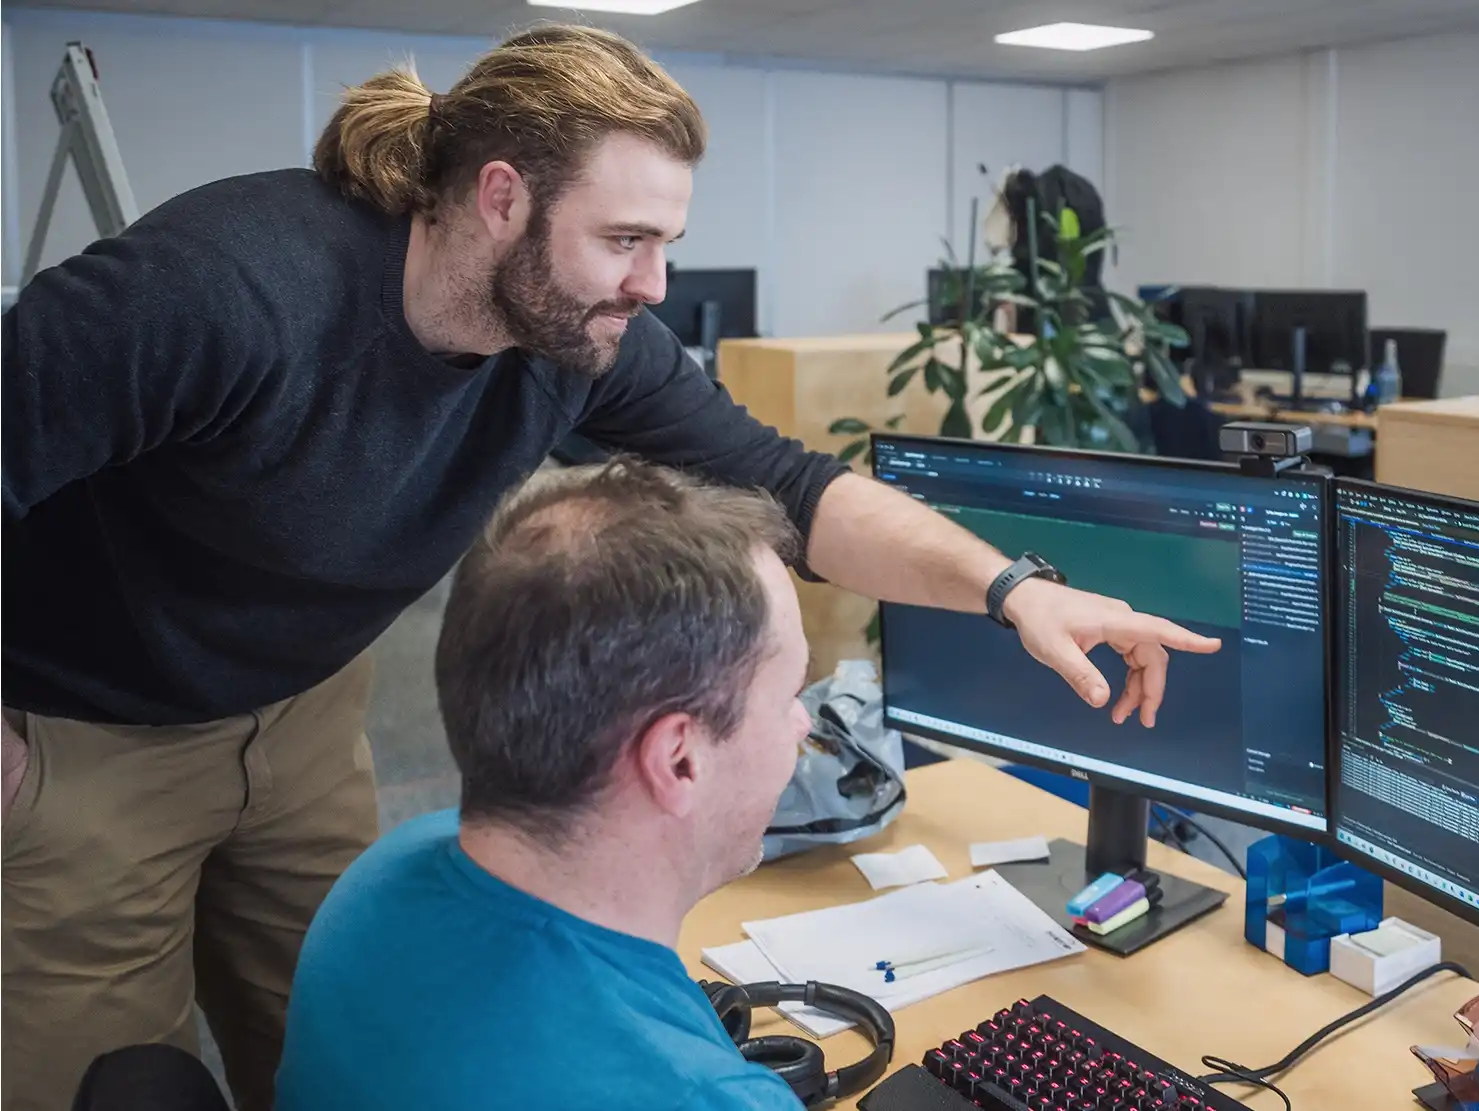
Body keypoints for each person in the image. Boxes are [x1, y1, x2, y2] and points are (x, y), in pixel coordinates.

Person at [0, 23, 1218, 1111]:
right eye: (625, 239)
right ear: (498, 199)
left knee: (348, 1039)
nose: (653, 284)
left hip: (308, 706)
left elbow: (791, 491)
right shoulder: (222, 289)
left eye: (666, 242)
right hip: (84, 724)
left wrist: (1015, 590)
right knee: (101, 1071)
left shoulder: (578, 339)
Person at [276, 460, 820, 1109]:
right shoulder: (699, 1094)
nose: (804, 722)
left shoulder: (381, 874)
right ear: (679, 759)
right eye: (788, 693)